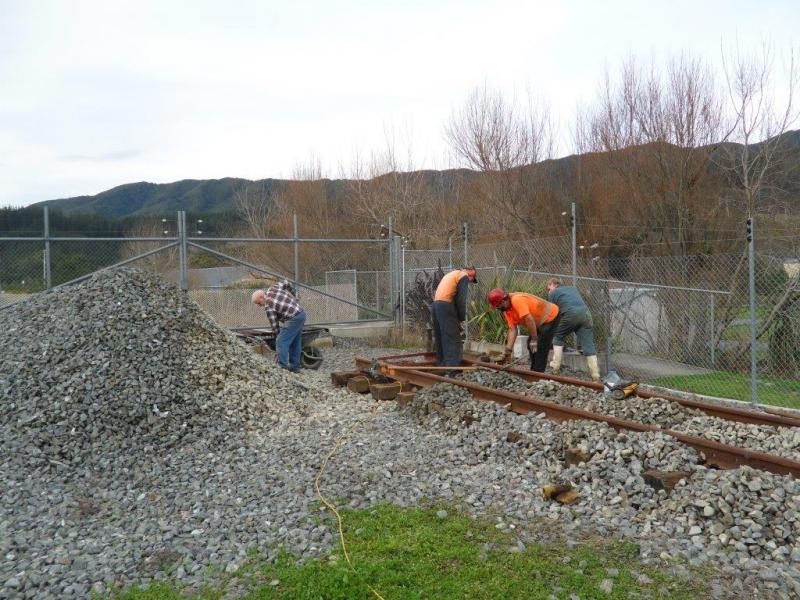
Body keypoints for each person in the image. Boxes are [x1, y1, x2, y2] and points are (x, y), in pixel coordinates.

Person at [487, 288, 560, 372]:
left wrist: (534, 339)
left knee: (540, 345)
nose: (499, 309)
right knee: (530, 344)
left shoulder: (517, 300)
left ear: (503, 301)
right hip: (538, 321)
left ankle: (538, 374)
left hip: (551, 316)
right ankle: (534, 371)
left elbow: (529, 319)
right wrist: (508, 351)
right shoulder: (507, 310)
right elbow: (512, 329)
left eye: (498, 306)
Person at [545, 278, 600, 381]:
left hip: (571, 314)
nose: (548, 291)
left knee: (557, 336)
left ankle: (555, 368)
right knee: (588, 344)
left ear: (553, 284)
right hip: (586, 315)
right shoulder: (572, 289)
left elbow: (552, 313)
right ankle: (595, 375)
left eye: (548, 288)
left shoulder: (553, 293)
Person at [251, 280, 306, 373]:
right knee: (295, 342)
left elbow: (275, 326)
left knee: (281, 341)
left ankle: (282, 368)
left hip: (293, 318)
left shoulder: (268, 306)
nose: (259, 306)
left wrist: (278, 339)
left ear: (261, 297)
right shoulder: (274, 288)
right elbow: (287, 282)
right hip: (301, 314)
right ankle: (295, 367)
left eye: (258, 303)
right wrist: (295, 295)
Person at [431, 267, 478, 370]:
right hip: (445, 304)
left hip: (436, 305)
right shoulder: (464, 276)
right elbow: (461, 300)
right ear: (471, 274)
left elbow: (453, 297)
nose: (470, 282)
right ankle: (453, 369)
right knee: (452, 338)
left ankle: (442, 365)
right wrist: (461, 318)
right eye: (472, 279)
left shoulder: (452, 274)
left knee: (441, 336)